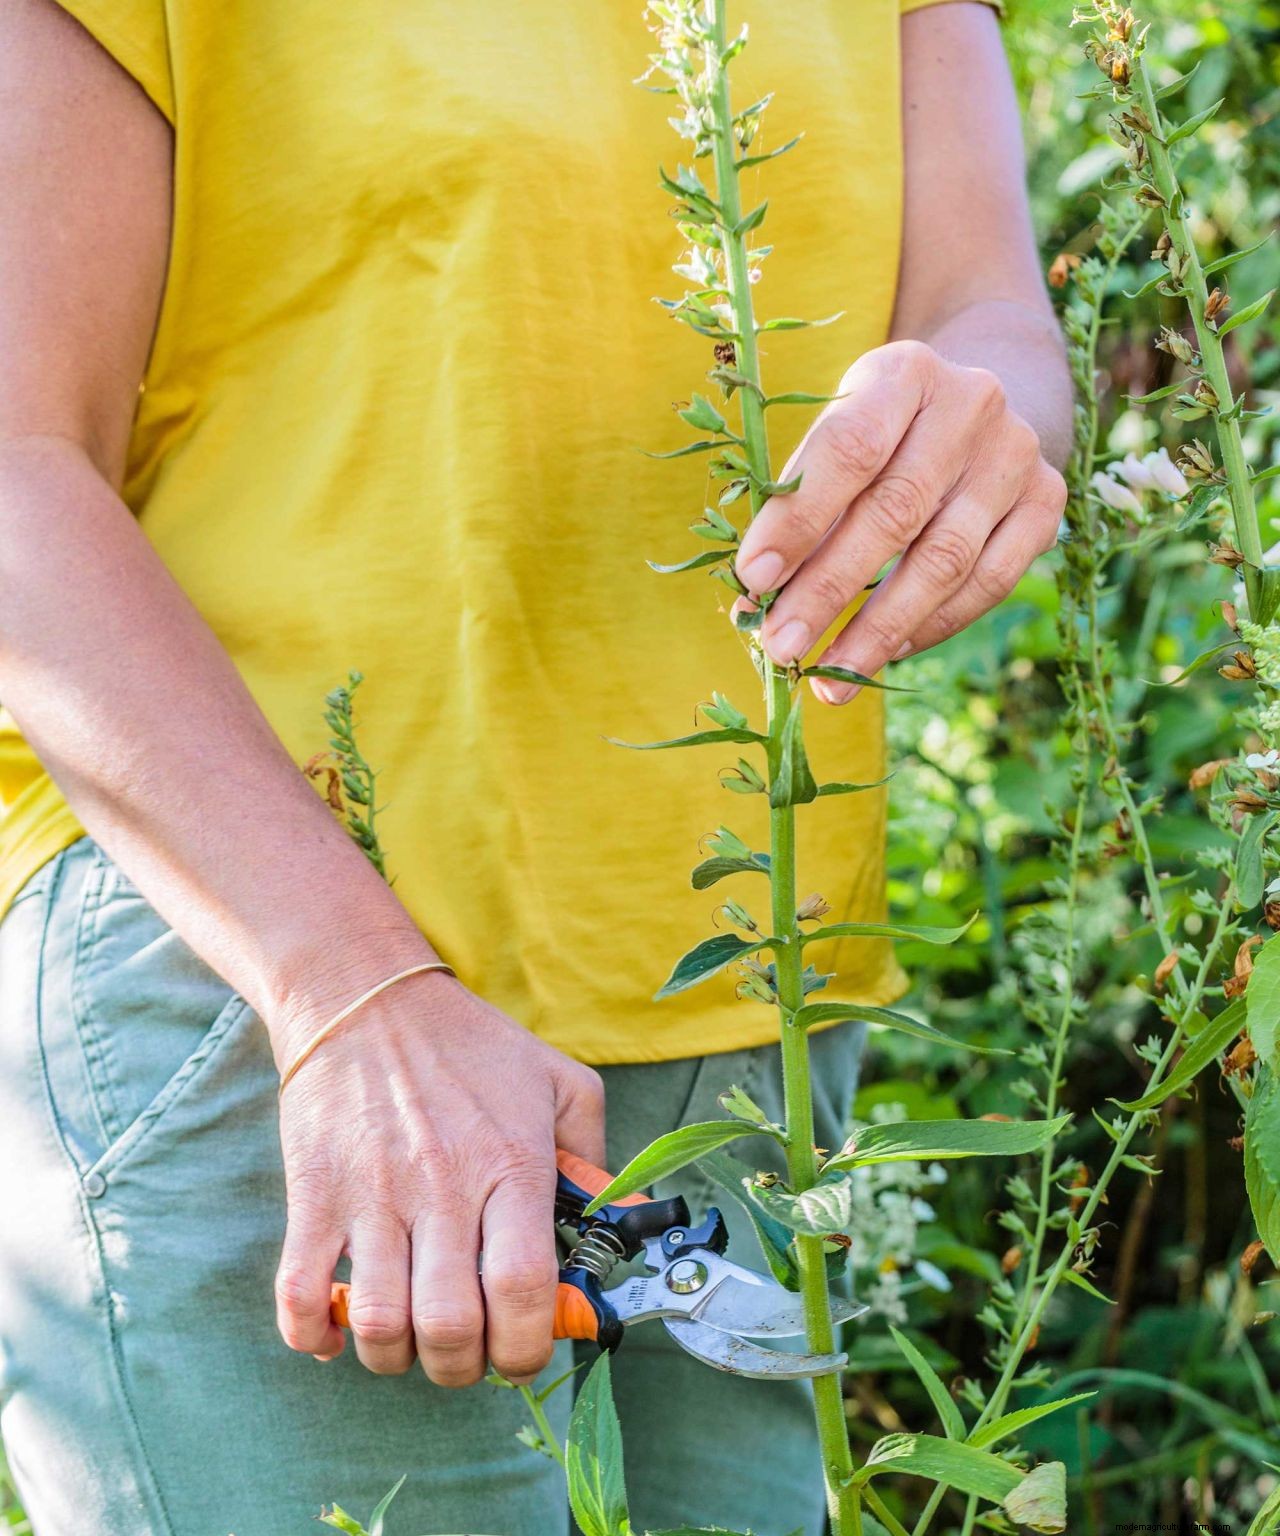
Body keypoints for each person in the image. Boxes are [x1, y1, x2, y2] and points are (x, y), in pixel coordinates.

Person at [0, 0, 1071, 1532]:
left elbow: (988, 313)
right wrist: (348, 995)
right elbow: (16, 463)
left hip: (751, 1000)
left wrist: (980, 421)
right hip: (282, 993)